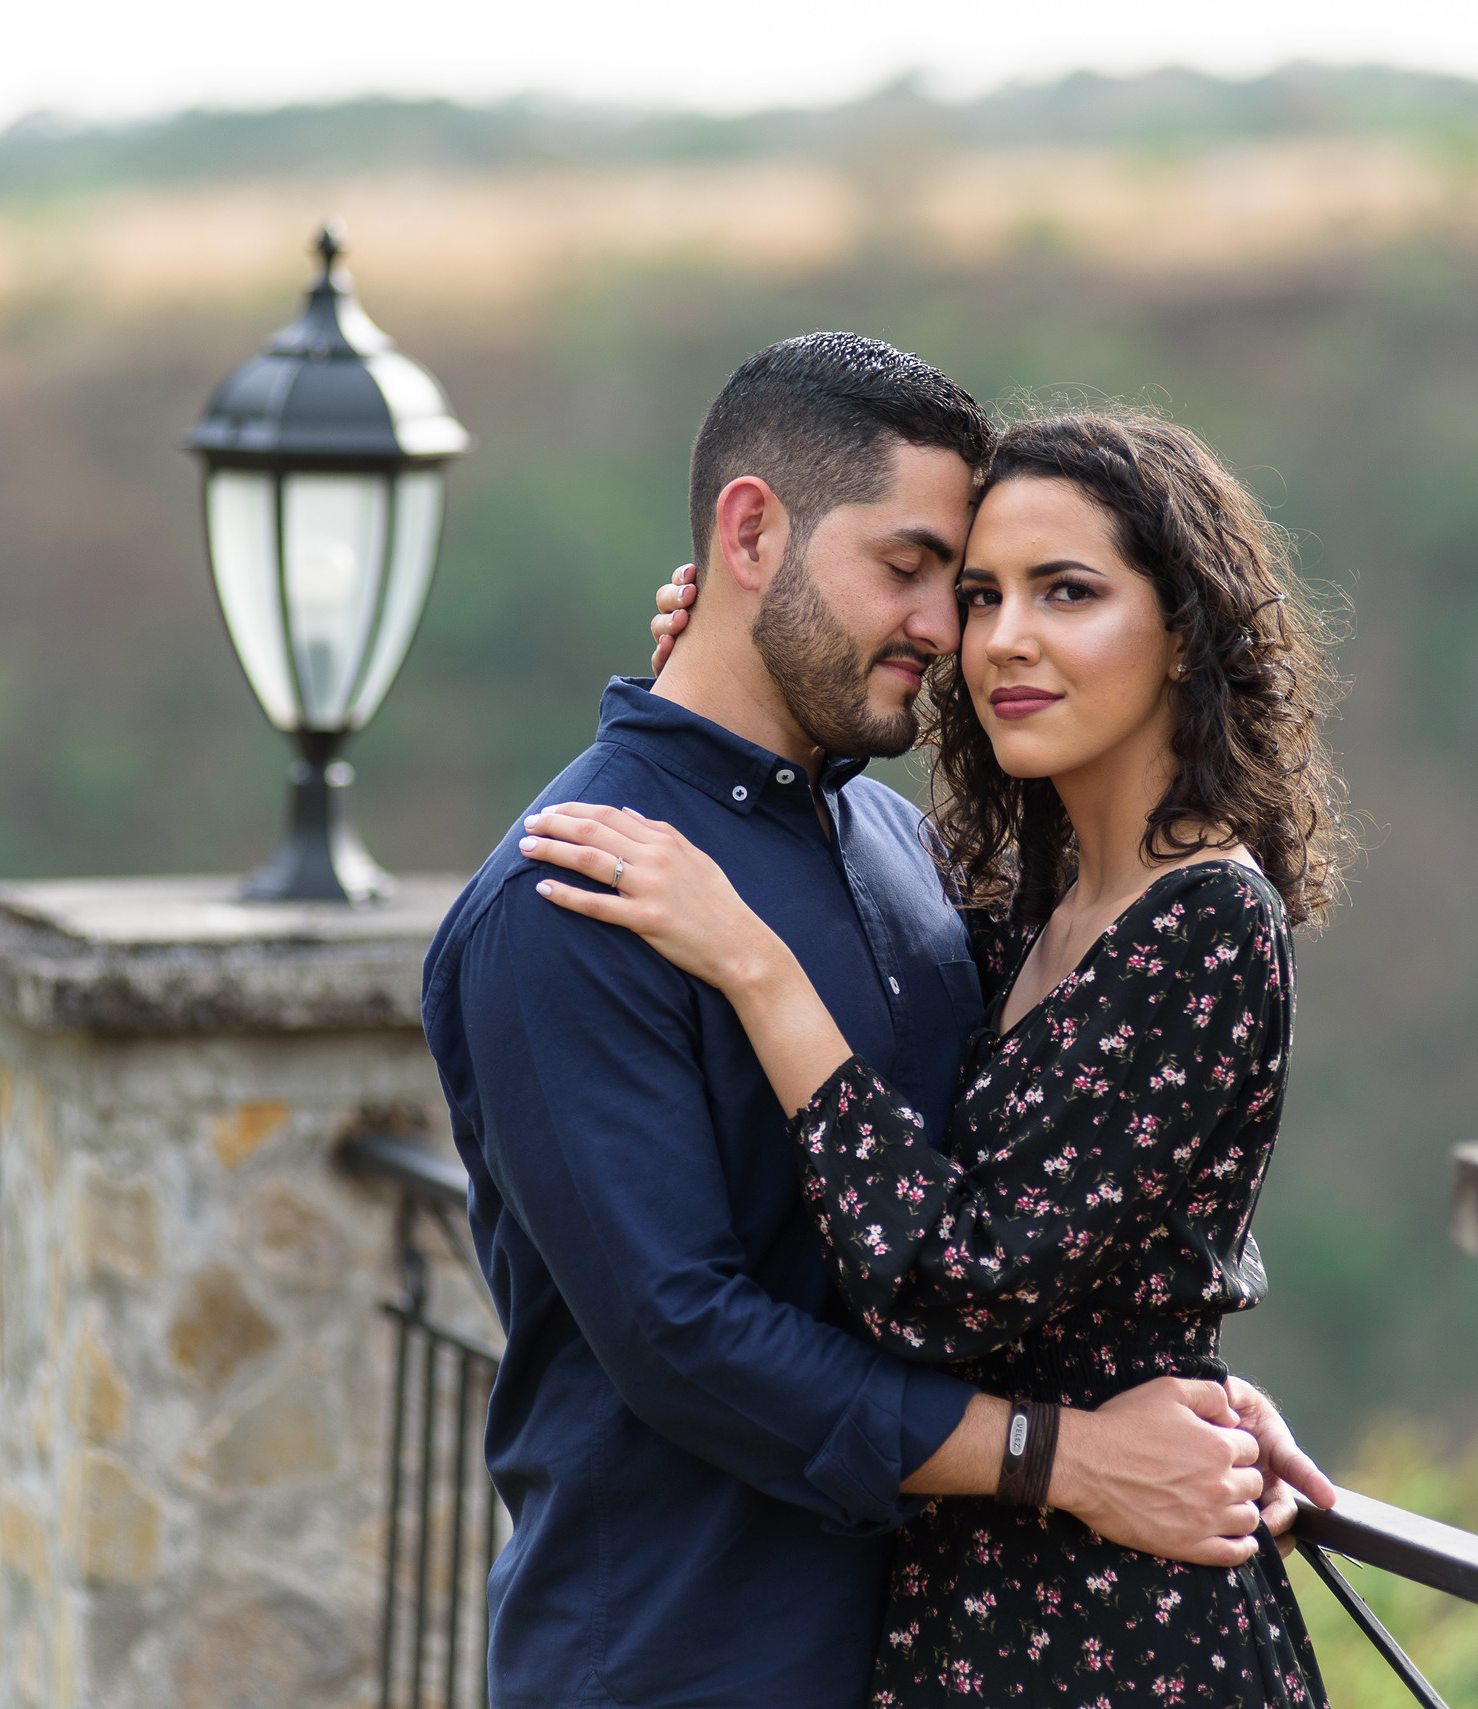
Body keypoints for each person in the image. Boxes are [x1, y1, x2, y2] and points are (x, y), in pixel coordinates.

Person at [421, 337, 1318, 1709]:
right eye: (916, 574)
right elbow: (683, 1333)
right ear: (750, 534)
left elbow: (1041, 1185)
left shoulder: (909, 855)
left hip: (947, 1641)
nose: (952, 633)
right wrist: (1064, 1452)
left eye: (959, 588)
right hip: (688, 1658)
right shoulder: (571, 903)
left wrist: (1165, 1372)